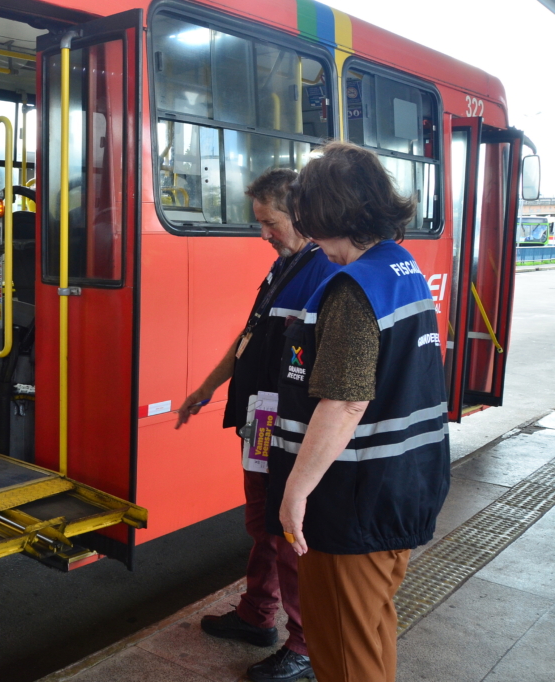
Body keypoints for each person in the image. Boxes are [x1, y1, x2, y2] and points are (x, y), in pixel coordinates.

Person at [265, 141, 450, 682]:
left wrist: (295, 493)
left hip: (352, 499)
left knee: (343, 651)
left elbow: (346, 401)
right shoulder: (401, 266)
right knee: (370, 631)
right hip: (403, 487)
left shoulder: (351, 289)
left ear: (322, 212)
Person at [176, 168, 337, 682]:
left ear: (301, 216)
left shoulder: (323, 273)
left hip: (289, 428)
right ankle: (257, 613)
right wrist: (205, 388)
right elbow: (249, 337)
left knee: (288, 531)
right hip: (261, 420)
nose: (262, 233)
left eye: (269, 222)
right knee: (263, 525)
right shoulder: (285, 267)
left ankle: (305, 647)